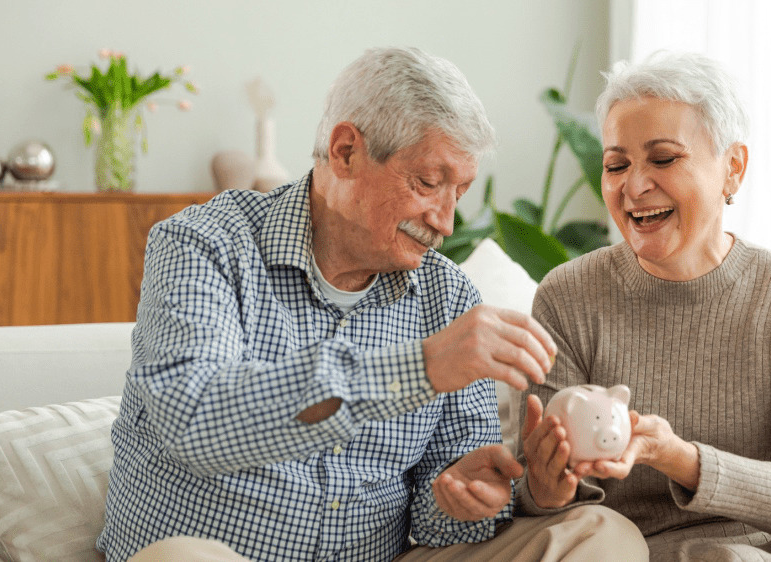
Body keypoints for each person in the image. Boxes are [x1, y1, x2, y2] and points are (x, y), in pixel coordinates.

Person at [97, 46, 646, 562]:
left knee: (603, 538)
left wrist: (475, 496)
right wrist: (422, 367)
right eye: (429, 182)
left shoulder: (449, 296)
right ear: (345, 152)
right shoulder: (205, 243)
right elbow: (194, 421)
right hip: (214, 550)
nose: (445, 221)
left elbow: (442, 523)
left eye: (460, 193)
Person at [517, 50, 771, 561]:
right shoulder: (567, 297)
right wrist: (546, 486)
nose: (633, 186)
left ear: (733, 169)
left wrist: (680, 458)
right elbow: (537, 499)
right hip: (642, 550)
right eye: (616, 165)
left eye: (663, 158)